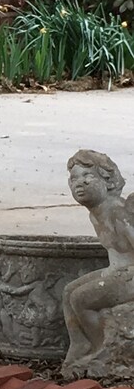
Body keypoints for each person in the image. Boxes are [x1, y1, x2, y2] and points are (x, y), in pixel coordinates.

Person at [62, 150, 134, 371]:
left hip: (131, 275)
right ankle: (80, 344)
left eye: (87, 176)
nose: (79, 184)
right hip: (116, 271)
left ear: (108, 180)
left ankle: (101, 348)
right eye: (74, 179)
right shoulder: (96, 214)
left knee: (81, 299)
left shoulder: (118, 213)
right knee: (68, 292)